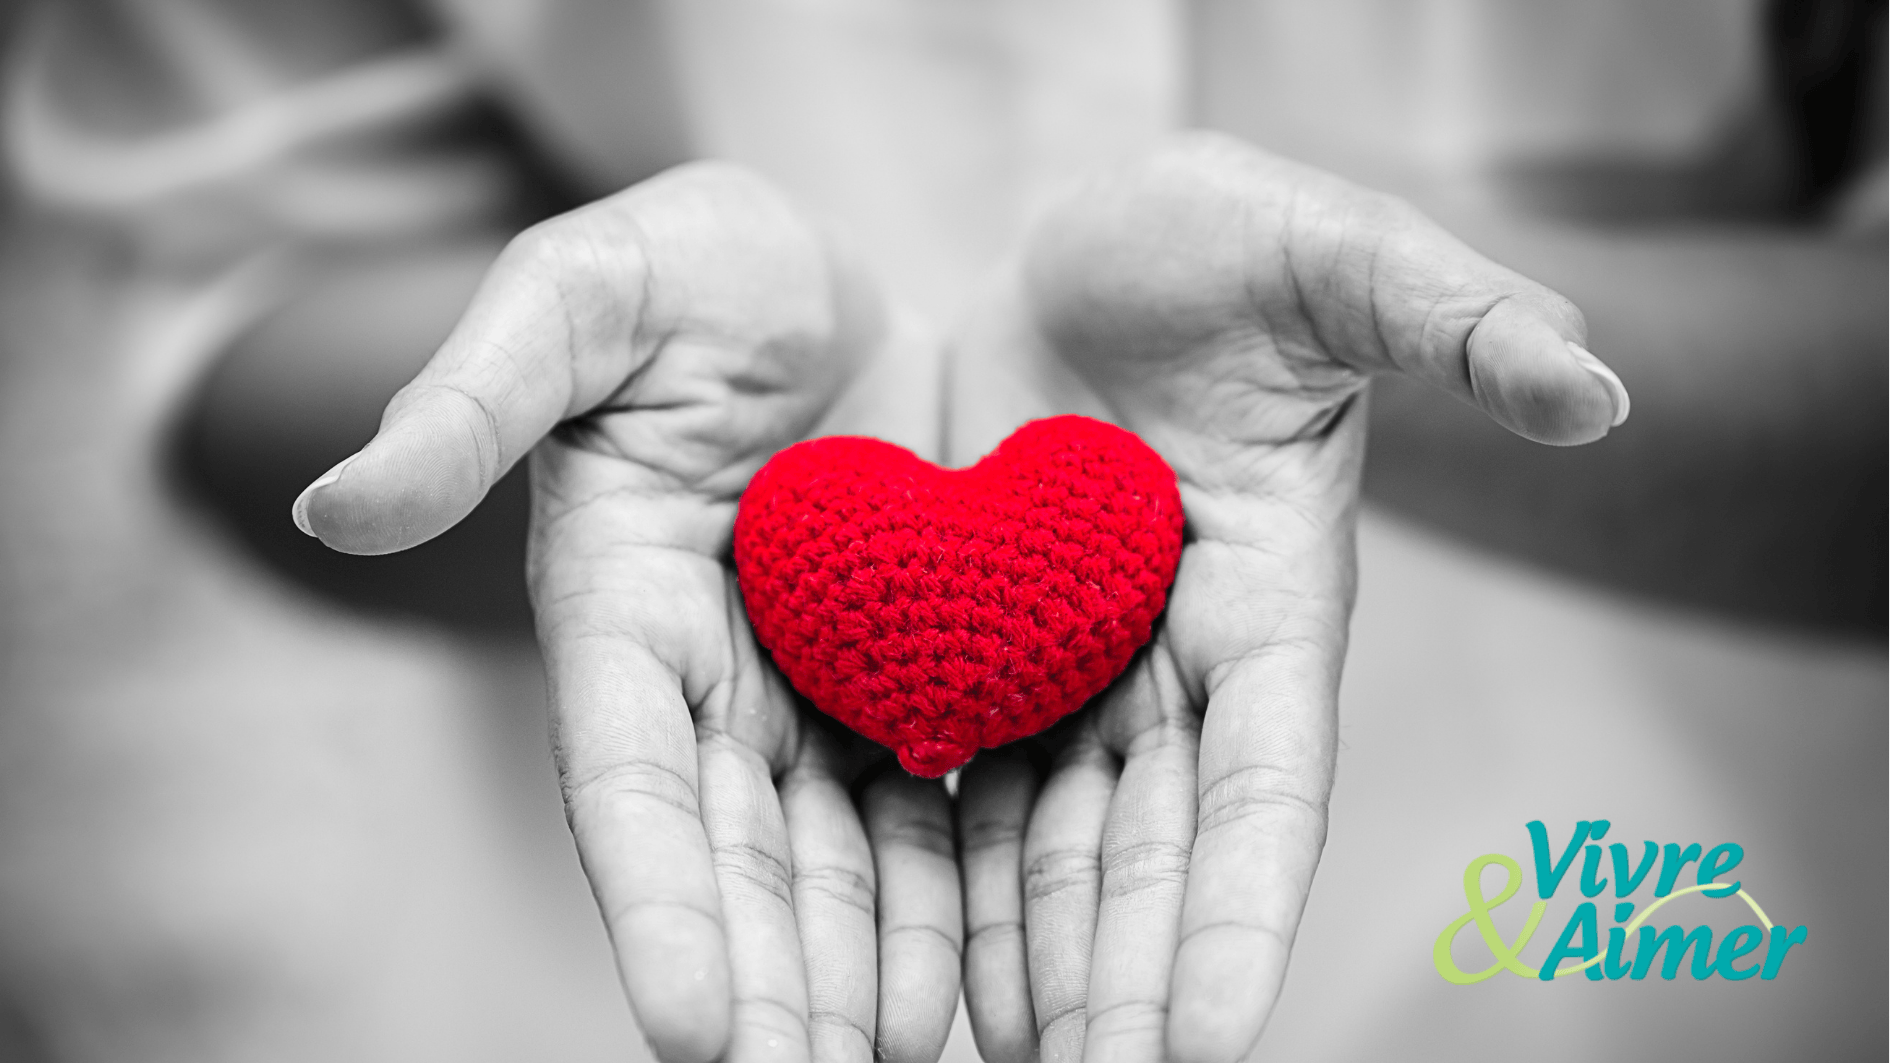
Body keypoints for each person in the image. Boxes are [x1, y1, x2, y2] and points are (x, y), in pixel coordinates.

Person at [2, 2, 1880, 1062]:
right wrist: (581, 397)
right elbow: (228, 304)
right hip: (680, 860)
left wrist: (1344, 350)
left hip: (1640, 924)